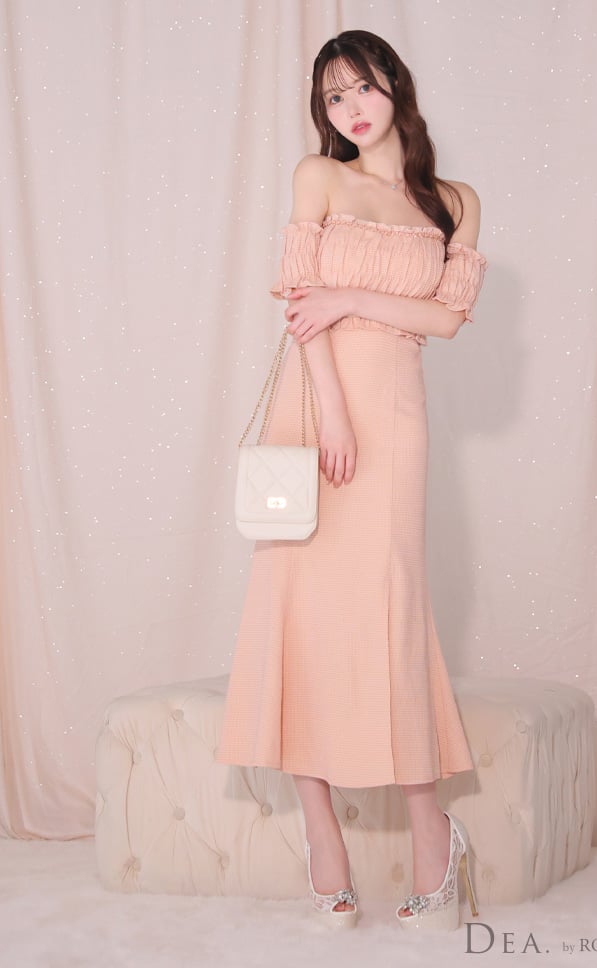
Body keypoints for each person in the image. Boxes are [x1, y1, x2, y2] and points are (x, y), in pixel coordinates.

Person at [216, 29, 487, 932]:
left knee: (389, 610)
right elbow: (302, 308)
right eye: (334, 97)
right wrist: (331, 412)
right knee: (299, 611)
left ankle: (433, 835)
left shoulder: (455, 201)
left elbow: (447, 319)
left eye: (363, 87)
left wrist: (356, 297)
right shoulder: (318, 178)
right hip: (318, 407)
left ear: (394, 87)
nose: (351, 109)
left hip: (397, 416)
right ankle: (321, 835)